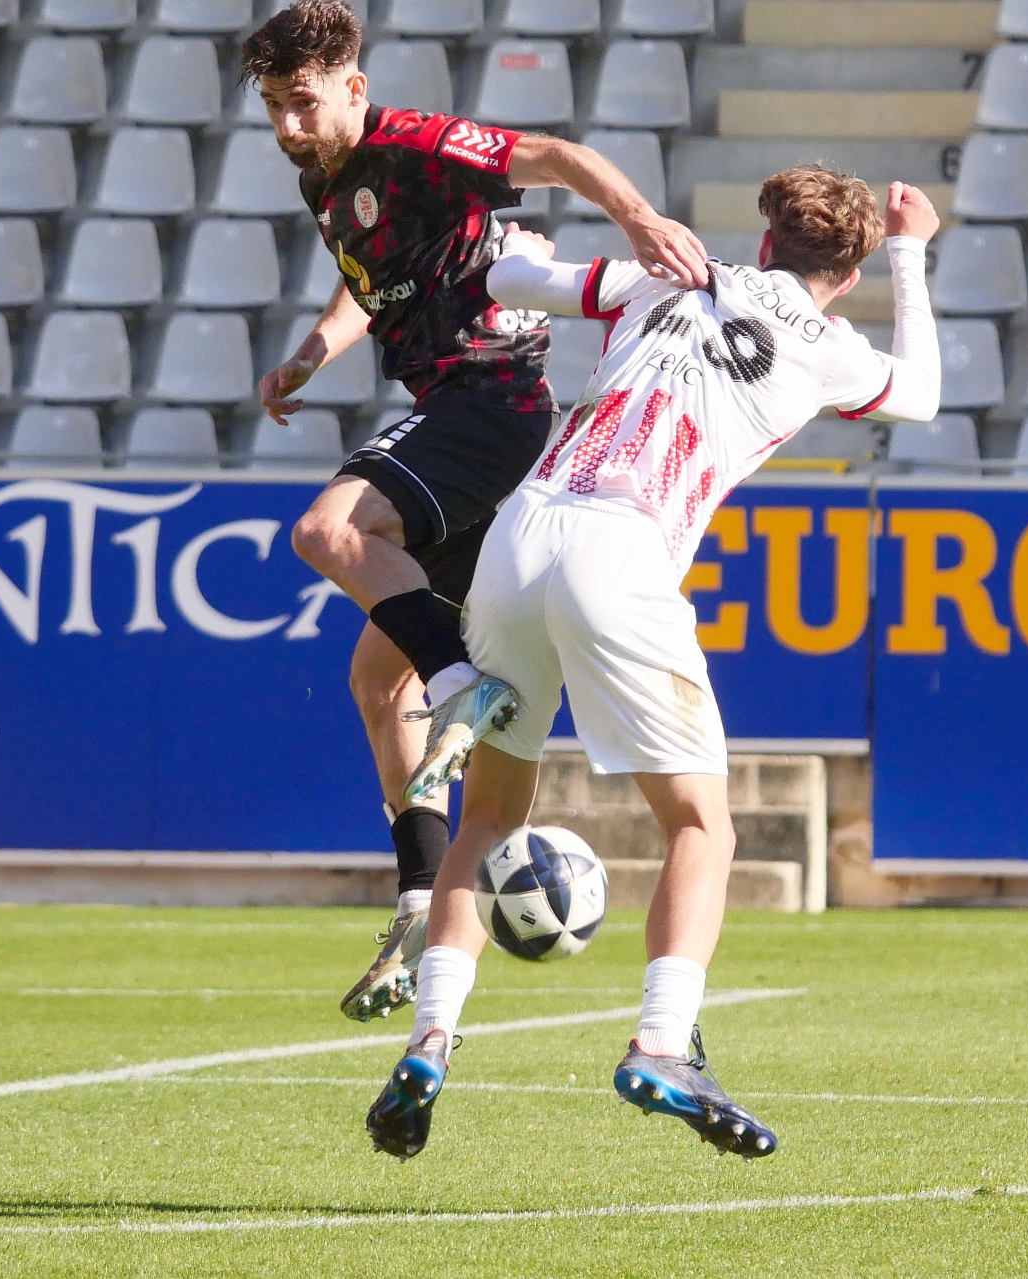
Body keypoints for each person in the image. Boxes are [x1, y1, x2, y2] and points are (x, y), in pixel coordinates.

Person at [364, 168, 942, 1161]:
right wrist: (912, 249)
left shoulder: (666, 272)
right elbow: (921, 395)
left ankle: (430, 1040)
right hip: (624, 553)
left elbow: (500, 279)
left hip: (521, 537)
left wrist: (526, 257)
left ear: (765, 243)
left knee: (489, 817)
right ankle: (664, 1045)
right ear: (845, 277)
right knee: (702, 826)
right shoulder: (830, 346)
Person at [241, 0, 709, 1022]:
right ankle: (421, 899)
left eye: (303, 103)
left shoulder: (414, 142)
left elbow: (557, 156)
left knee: (330, 531)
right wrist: (313, 353)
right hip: (464, 415)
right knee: (378, 681)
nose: (287, 124)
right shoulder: (322, 175)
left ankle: (467, 686)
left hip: (491, 402)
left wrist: (640, 221)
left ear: (355, 88)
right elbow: (371, 279)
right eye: (273, 105)